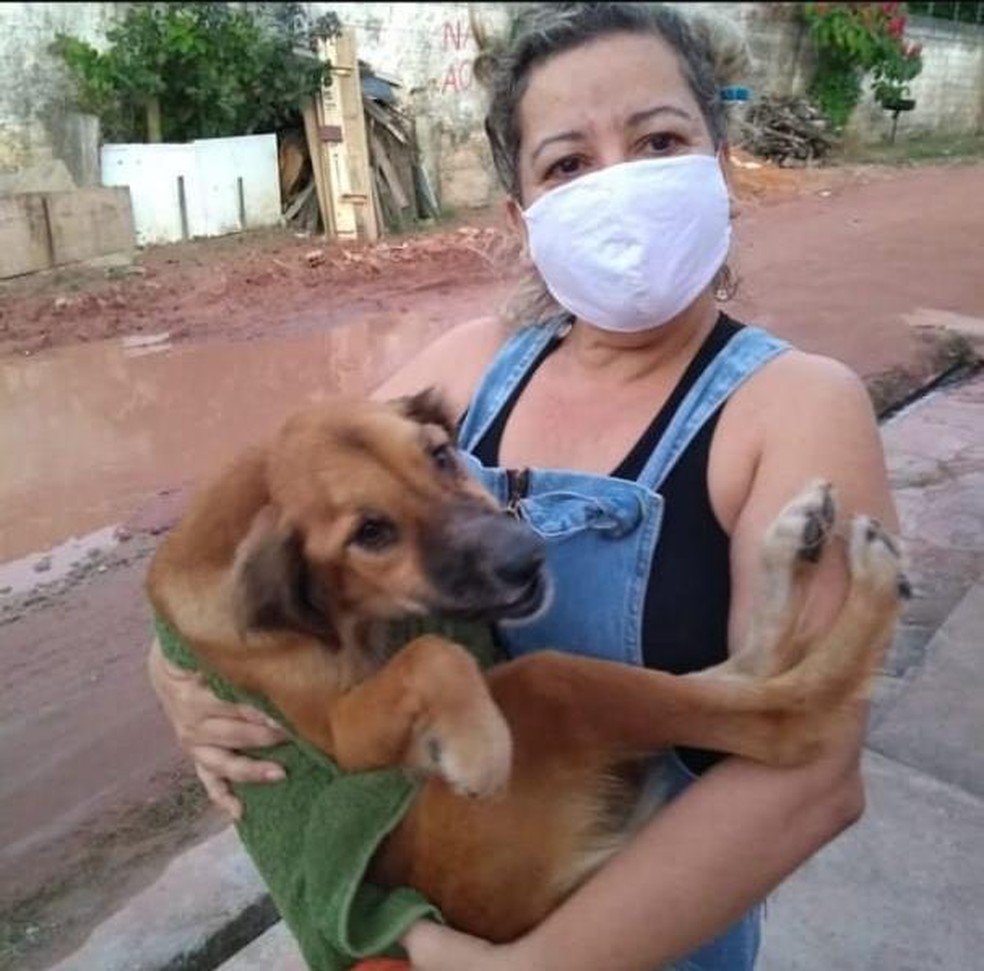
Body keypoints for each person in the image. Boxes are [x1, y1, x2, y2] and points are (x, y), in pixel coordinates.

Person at [148, 4, 898, 969]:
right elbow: (286, 519)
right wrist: (176, 678)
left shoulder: (796, 406)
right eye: (568, 163)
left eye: (658, 141)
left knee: (546, 693)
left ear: (720, 165)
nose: (617, 184)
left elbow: (812, 783)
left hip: (647, 938)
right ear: (523, 216)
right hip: (460, 882)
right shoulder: (470, 368)